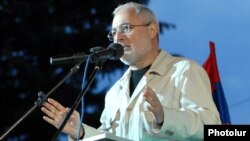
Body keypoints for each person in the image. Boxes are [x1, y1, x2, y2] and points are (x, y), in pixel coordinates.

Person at [41, 2, 221, 141]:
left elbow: (212, 127)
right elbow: (110, 138)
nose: (118, 37)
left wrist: (165, 117)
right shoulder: (114, 93)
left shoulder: (184, 71)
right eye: (113, 33)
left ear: (152, 30)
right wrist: (79, 132)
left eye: (126, 28)